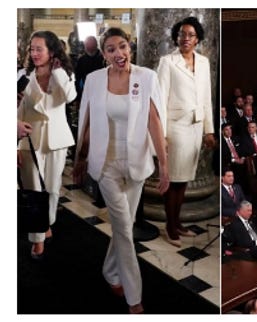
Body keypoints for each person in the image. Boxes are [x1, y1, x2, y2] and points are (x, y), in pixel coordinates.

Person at [72, 28, 169, 313]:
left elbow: (155, 121)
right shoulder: (94, 79)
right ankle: (134, 297)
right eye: (111, 49)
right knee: (125, 230)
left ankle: (110, 272)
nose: (118, 53)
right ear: (104, 55)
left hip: (137, 164)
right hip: (106, 165)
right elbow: (86, 119)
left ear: (130, 48)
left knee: (121, 226)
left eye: (122, 47)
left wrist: (164, 164)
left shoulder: (146, 77)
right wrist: (80, 158)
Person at [155, 17, 214, 245]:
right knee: (173, 180)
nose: (185, 38)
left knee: (184, 180)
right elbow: (160, 100)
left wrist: (209, 130)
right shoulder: (167, 62)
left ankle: (177, 221)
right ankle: (170, 226)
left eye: (190, 34)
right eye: (181, 34)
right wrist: (162, 135)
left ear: (197, 38)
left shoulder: (203, 62)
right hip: (176, 127)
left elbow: (206, 98)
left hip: (196, 127)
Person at [20, 30, 77, 259]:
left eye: (39, 49)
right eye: (31, 49)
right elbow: (16, 110)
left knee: (52, 188)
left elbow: (70, 97)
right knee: (33, 189)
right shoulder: (23, 76)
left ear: (52, 51)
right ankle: (38, 238)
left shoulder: (64, 75)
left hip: (57, 139)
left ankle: (46, 223)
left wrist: (59, 71)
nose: (34, 53)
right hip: (29, 140)